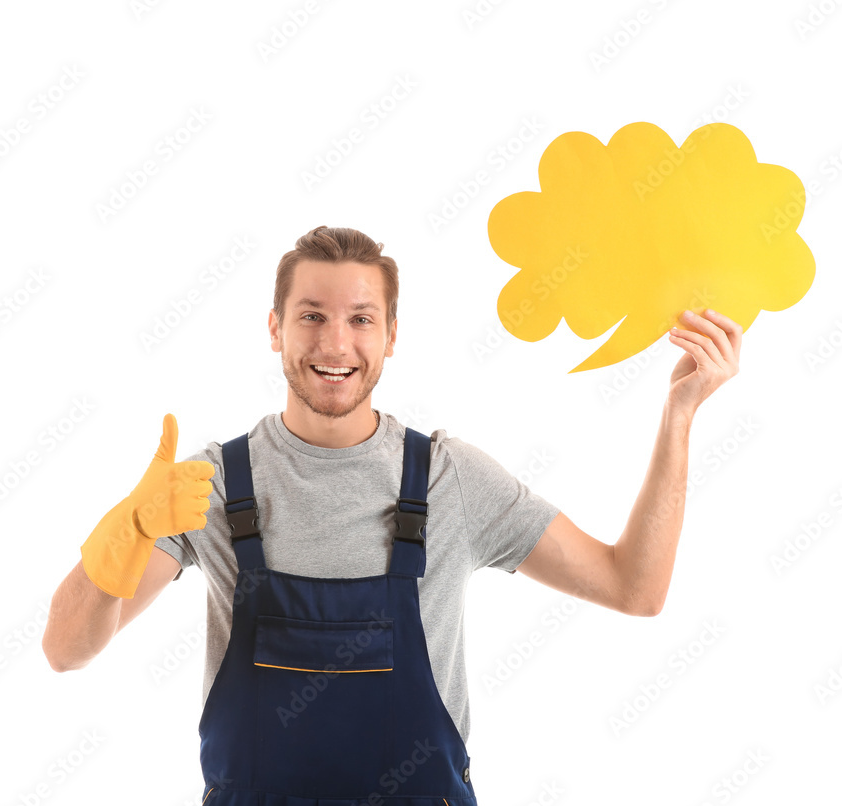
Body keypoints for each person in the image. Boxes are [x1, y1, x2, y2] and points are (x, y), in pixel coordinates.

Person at [42, 226, 741, 804]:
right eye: (311, 315)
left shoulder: (448, 479)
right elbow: (65, 650)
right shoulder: (207, 487)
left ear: (392, 335)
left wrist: (679, 418)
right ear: (274, 329)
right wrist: (120, 541)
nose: (336, 344)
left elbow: (634, 588)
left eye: (361, 319)